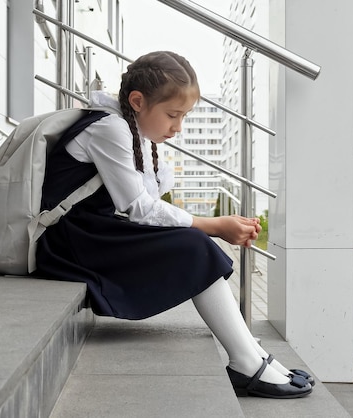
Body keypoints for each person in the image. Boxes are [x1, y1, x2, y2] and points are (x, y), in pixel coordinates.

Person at [34, 51, 313, 399]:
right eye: (172, 115)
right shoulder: (110, 128)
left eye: (183, 116)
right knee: (193, 244)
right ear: (137, 101)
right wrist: (213, 225)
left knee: (188, 241)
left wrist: (204, 226)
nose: (178, 127)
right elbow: (138, 208)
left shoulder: (129, 129)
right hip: (66, 244)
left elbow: (143, 205)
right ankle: (246, 360)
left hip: (89, 235)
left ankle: (251, 353)